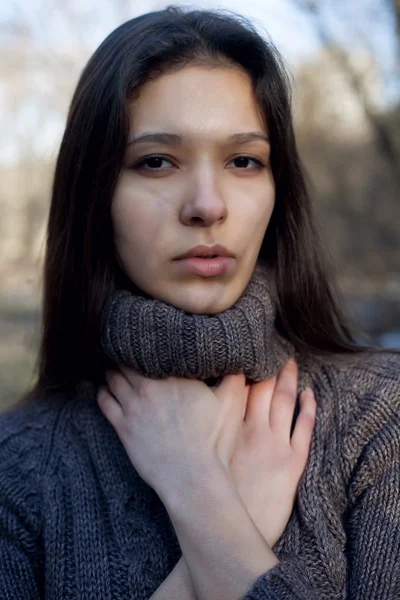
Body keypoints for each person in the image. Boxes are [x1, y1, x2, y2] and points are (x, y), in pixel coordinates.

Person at [1, 5, 399, 599]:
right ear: (96, 195)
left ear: (276, 188)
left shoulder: (381, 417)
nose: (208, 205)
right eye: (156, 161)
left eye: (244, 161)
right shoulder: (18, 468)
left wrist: (197, 495)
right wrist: (221, 526)